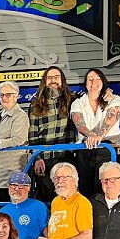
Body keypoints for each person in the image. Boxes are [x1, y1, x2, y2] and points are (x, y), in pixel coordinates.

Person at [70, 68, 120, 197]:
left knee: (104, 186)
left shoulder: (115, 99)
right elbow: (79, 123)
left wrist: (98, 137)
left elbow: (111, 118)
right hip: (84, 148)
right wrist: (91, 136)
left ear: (103, 81)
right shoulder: (78, 103)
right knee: (85, 189)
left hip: (107, 147)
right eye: (90, 79)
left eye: (98, 78)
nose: (94, 82)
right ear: (85, 83)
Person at [27, 66, 76, 202]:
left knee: (67, 198)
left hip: (67, 157)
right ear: (44, 81)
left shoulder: (73, 100)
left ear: (62, 80)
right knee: (47, 199)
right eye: (50, 78)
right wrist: (36, 158)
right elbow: (32, 135)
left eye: (56, 77)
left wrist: (107, 91)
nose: (53, 81)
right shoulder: (36, 104)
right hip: (45, 159)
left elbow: (94, 94)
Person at [0, 81, 30, 201]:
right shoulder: (0, 115)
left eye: (7, 94)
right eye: (1, 95)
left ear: (16, 96)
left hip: (11, 175)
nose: (4, 98)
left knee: (11, 212)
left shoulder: (20, 116)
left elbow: (18, 139)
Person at [0, 172, 49, 239]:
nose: (16, 189)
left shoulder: (38, 207)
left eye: (21, 186)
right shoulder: (3, 211)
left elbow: (48, 236)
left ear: (28, 188)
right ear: (8, 188)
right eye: (13, 186)